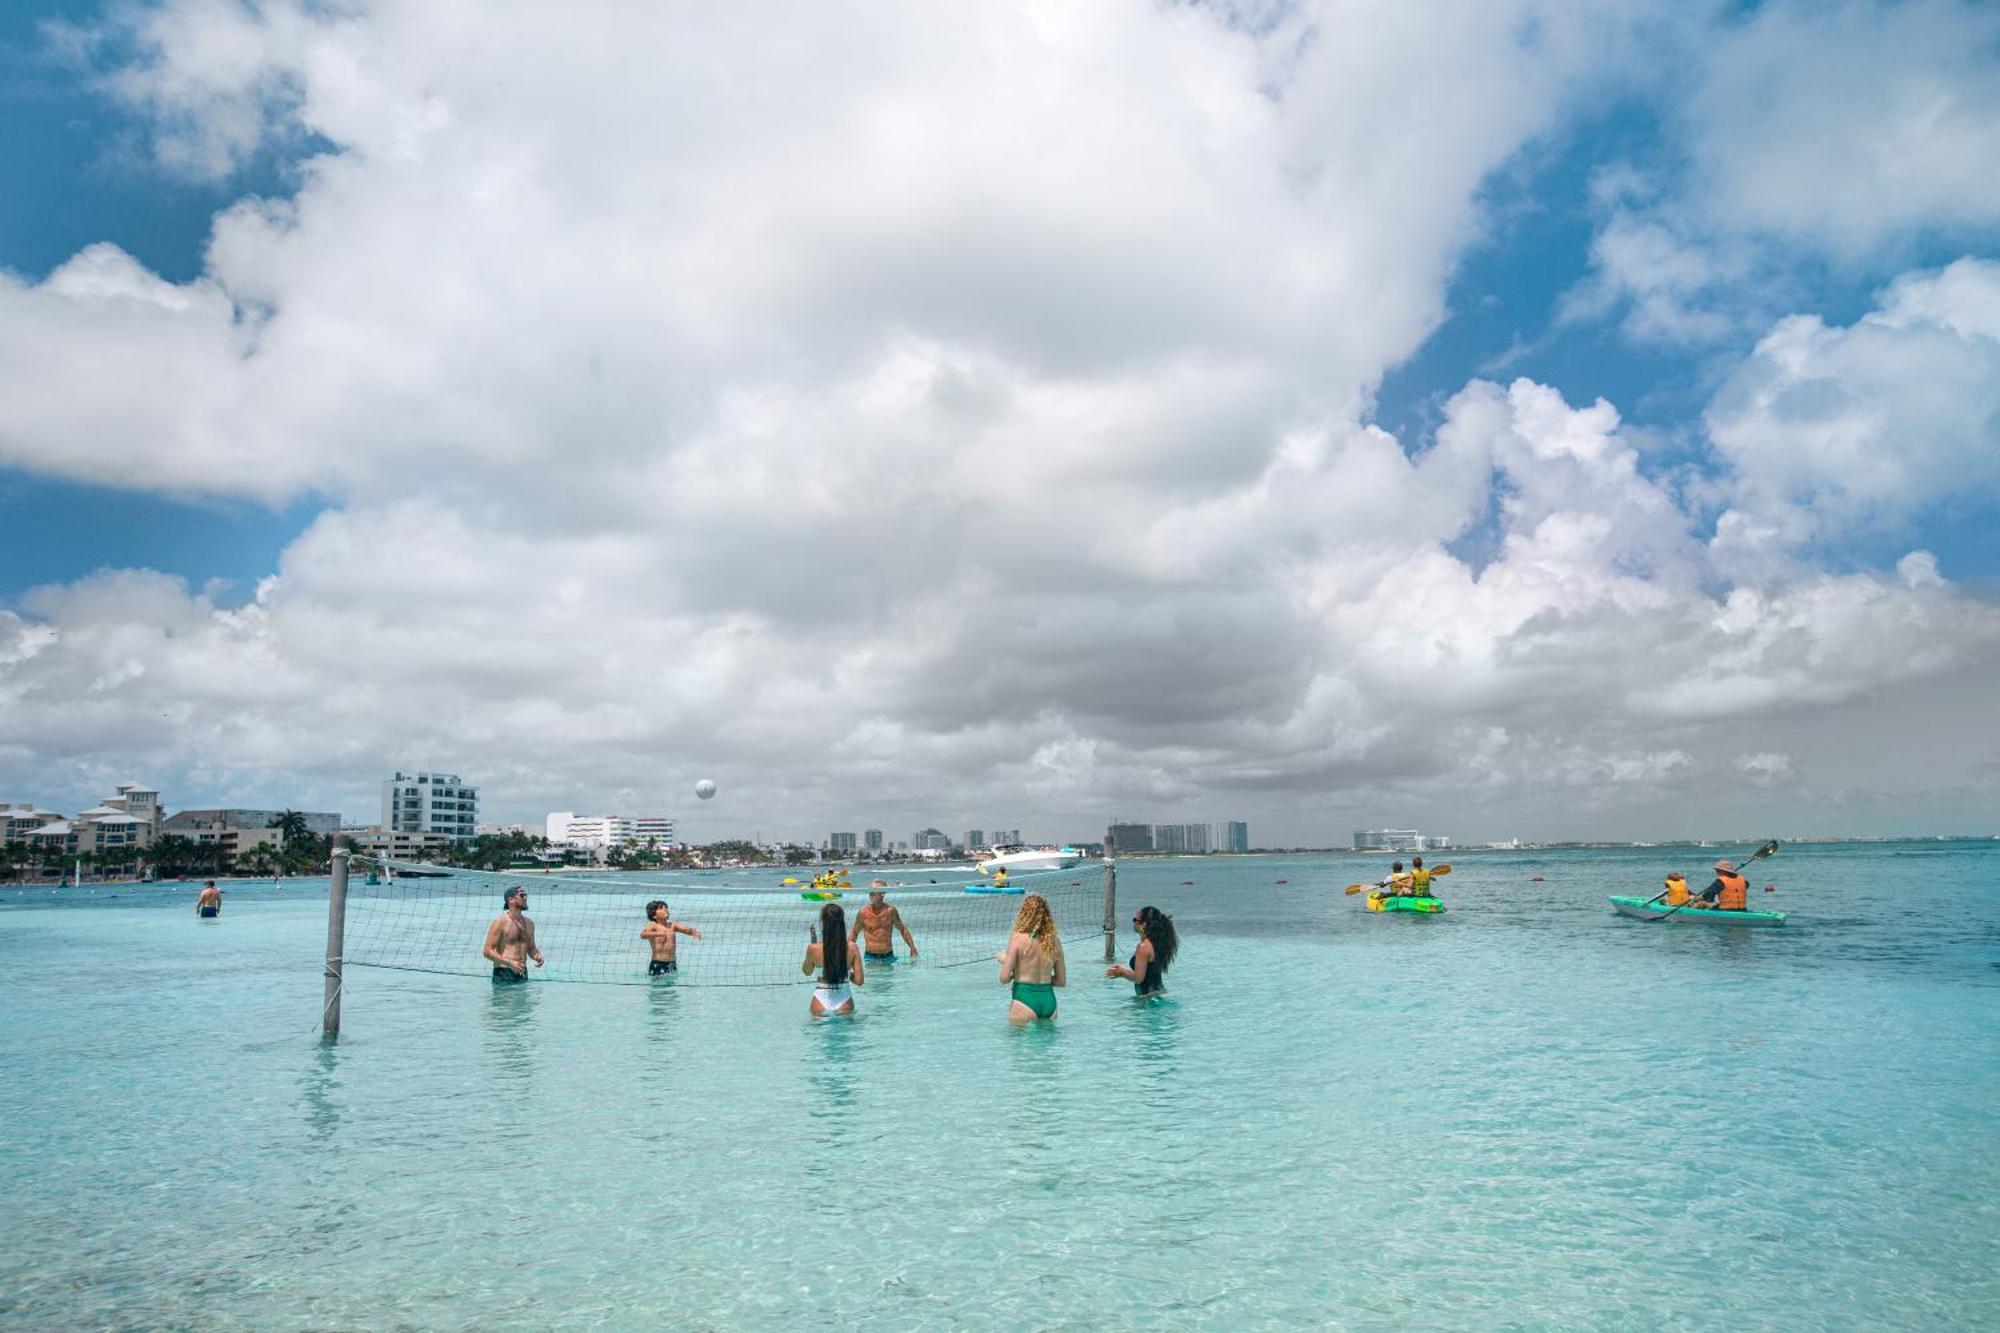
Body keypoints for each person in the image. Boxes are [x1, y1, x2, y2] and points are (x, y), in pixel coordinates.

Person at [998, 893, 1065, 1023]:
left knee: (1021, 1043)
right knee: (1047, 1043)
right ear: (1046, 915)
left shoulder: (1017, 938)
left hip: (1024, 1000)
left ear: (1024, 914)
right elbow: (1061, 981)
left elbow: (1004, 978)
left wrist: (1005, 961)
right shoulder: (1054, 941)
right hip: (1049, 1002)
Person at [802, 902, 865, 1016]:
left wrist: (813, 945)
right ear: (841, 923)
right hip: (844, 999)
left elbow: (807, 972)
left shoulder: (813, 948)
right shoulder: (852, 947)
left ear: (824, 923)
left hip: (820, 999)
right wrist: (846, 972)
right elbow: (859, 981)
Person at [1106, 904, 1177, 998]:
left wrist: (1121, 972)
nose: (1133, 922)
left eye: (1135, 920)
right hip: (1158, 993)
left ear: (1144, 924)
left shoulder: (1143, 947)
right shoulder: (1156, 943)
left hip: (1148, 998)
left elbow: (1138, 978)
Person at [483, 886, 545, 982]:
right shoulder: (500, 922)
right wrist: (510, 963)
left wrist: (537, 956)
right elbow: (487, 951)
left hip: (522, 972)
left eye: (525, 895)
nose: (525, 898)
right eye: (522, 895)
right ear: (510, 900)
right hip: (503, 972)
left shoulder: (529, 923)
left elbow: (531, 948)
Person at [849, 888, 918, 963]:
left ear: (882, 894)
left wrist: (912, 948)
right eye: (870, 892)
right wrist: (847, 951)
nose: (871, 894)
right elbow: (854, 933)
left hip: (889, 956)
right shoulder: (863, 913)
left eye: (874, 892)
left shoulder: (891, 911)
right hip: (870, 957)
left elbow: (903, 930)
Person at [641, 900, 701, 975]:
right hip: (658, 963)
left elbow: (685, 929)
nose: (665, 909)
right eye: (661, 908)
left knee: (672, 985)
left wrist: (693, 932)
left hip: (672, 964)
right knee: (657, 985)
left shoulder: (673, 925)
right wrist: (659, 933)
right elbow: (643, 935)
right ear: (654, 915)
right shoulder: (653, 925)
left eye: (666, 907)